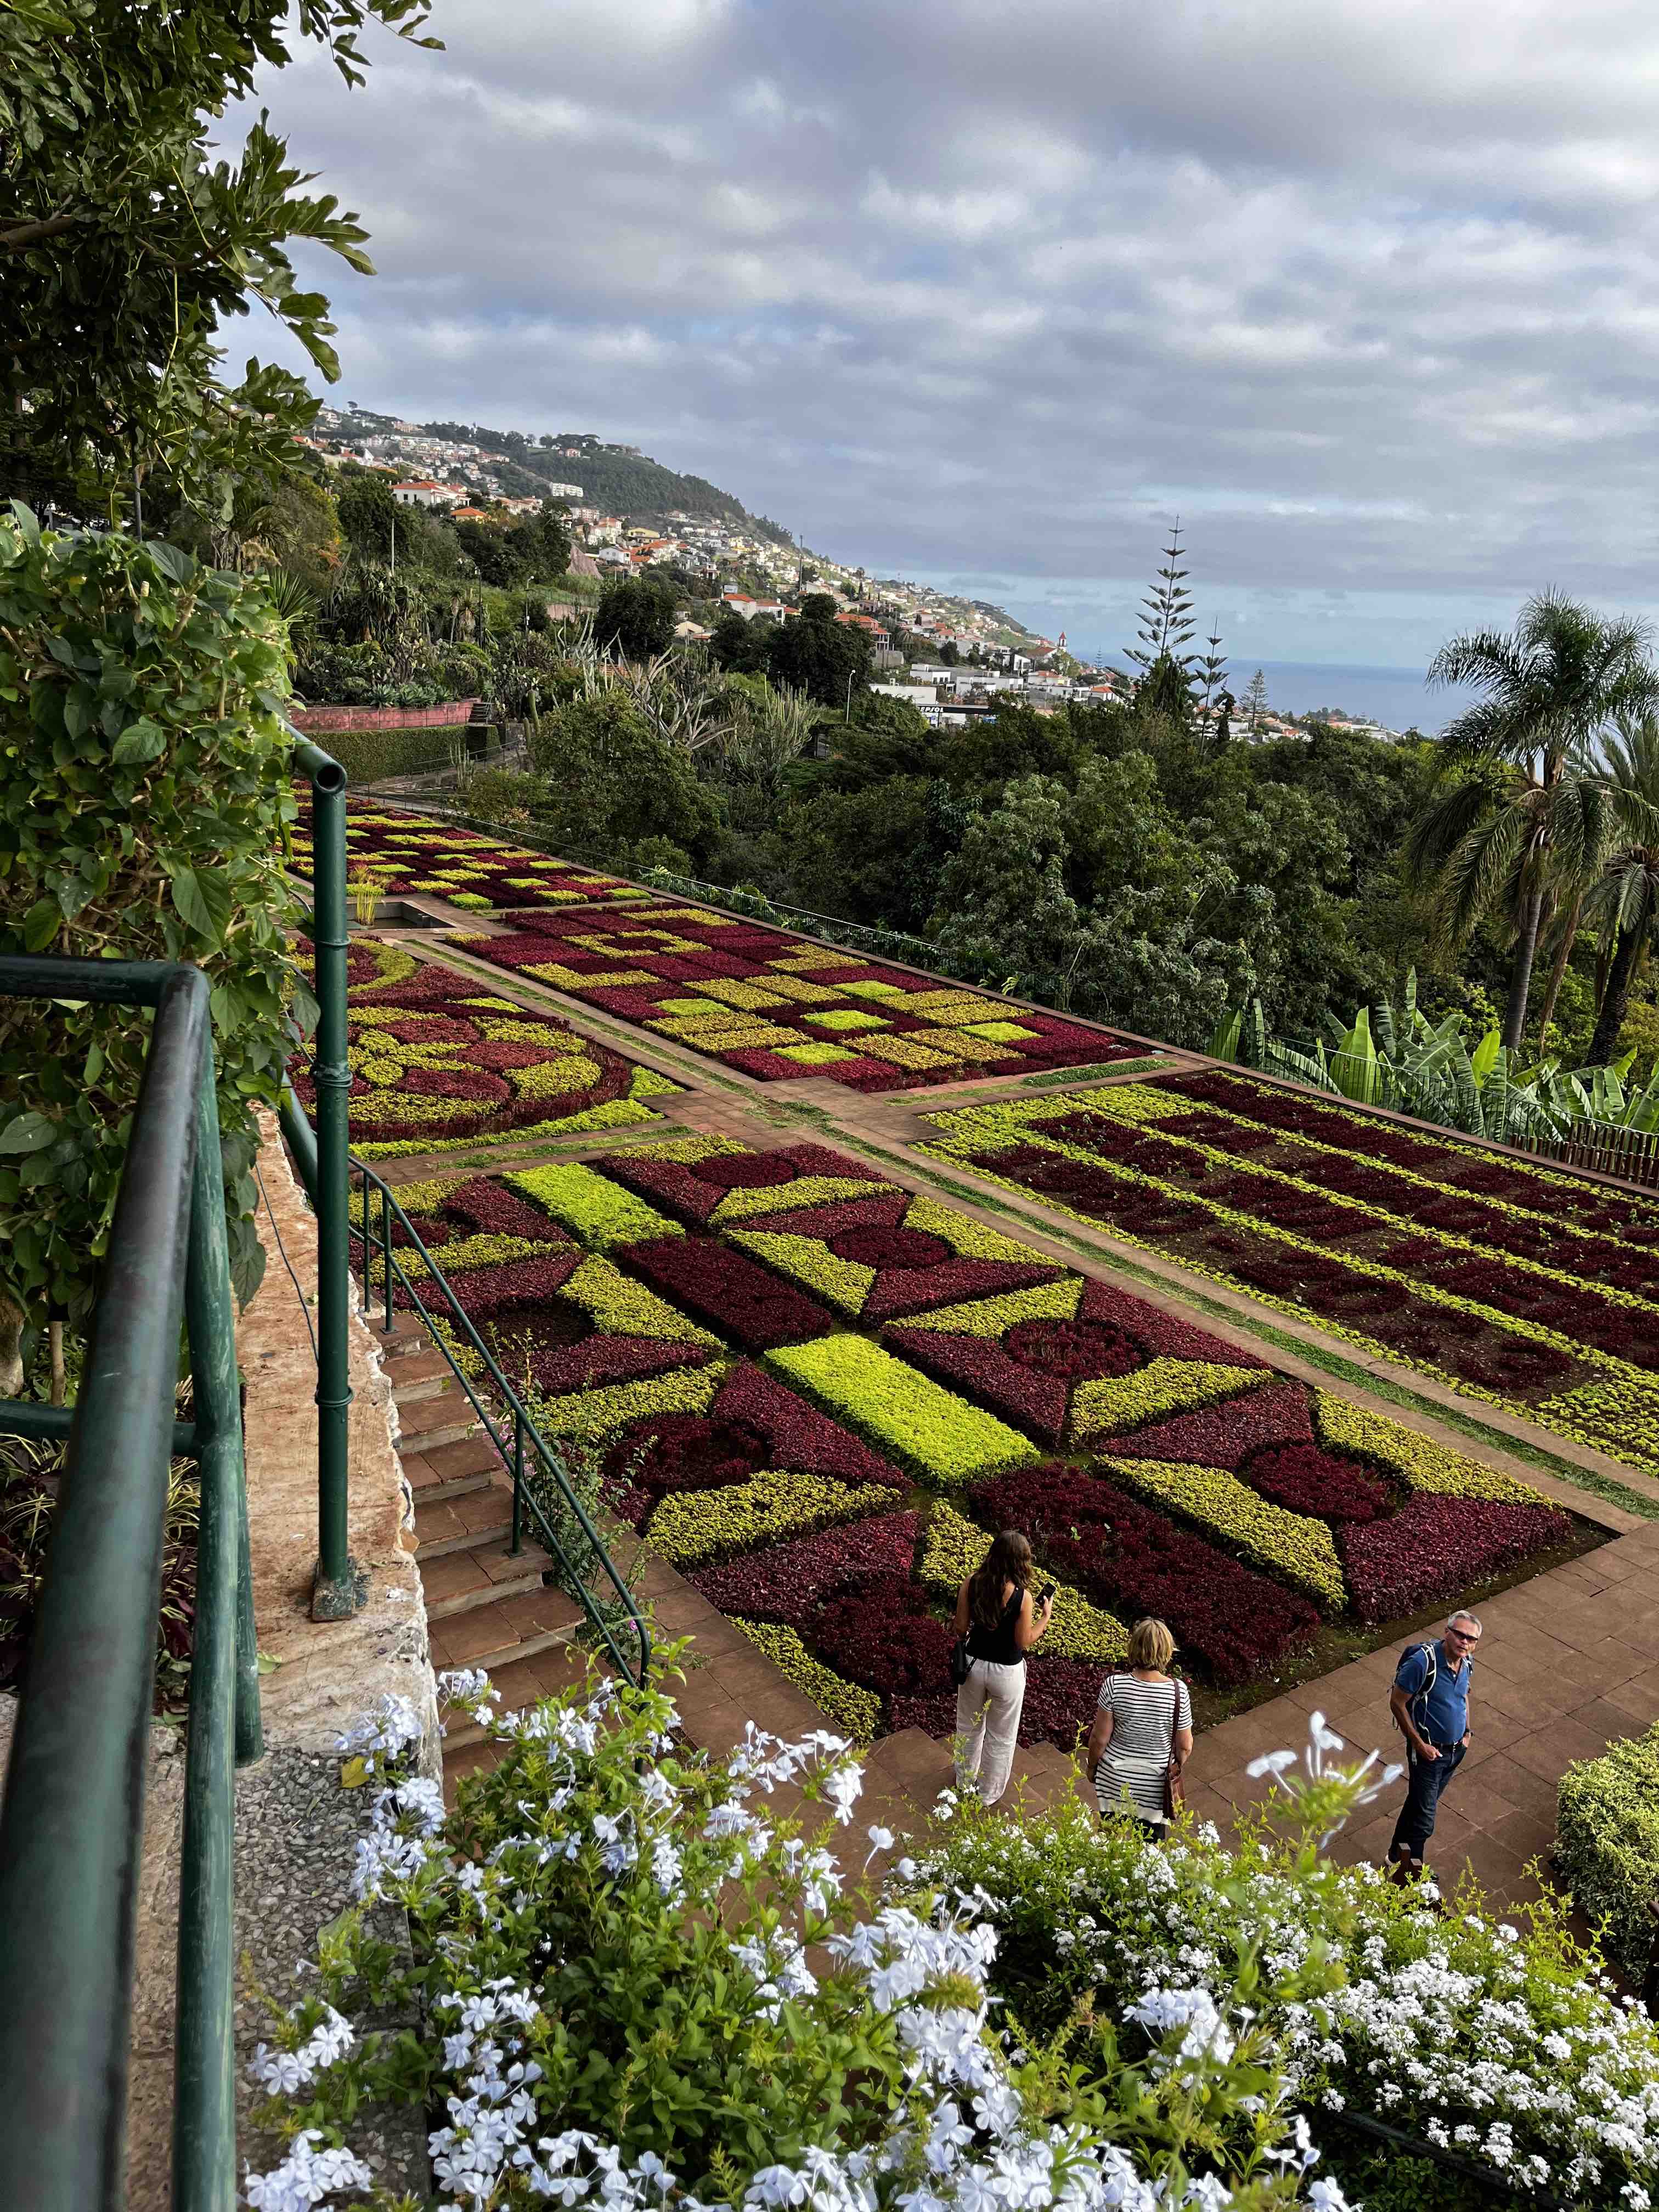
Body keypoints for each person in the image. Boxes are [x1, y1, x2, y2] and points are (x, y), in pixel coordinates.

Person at [953, 1530, 1052, 1806]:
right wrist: (1045, 1619)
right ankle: (987, 1794)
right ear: (1021, 1561)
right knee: (1001, 1735)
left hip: (973, 1665)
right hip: (1006, 1672)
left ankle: (963, 1782)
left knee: (968, 1726)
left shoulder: (972, 1582)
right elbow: (1023, 1642)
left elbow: (960, 1628)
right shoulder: (1023, 1597)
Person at [1386, 1609, 1481, 1880]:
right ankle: (1410, 1875)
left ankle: (1395, 1856)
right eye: (1460, 1635)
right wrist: (1419, 1745)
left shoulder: (1467, 1662)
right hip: (1429, 1753)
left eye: (1471, 1639)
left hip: (1455, 1751)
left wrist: (1467, 1733)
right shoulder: (1422, 1663)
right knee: (1425, 1821)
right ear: (1447, 1632)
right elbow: (1397, 1703)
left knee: (1418, 1805)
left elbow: (1464, 1695)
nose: (1465, 1642)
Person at [1087, 1617, 1193, 1833]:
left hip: (1114, 1778)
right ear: (1168, 1651)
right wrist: (1177, 1765)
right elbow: (1185, 1746)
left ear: (1133, 1646)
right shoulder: (1178, 1691)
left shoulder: (1114, 1685)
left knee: (1109, 1842)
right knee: (1149, 1849)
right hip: (1155, 1785)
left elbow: (1100, 1739)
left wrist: (1091, 1766)